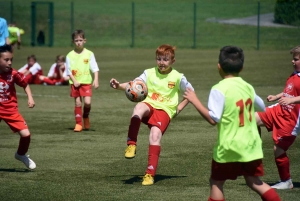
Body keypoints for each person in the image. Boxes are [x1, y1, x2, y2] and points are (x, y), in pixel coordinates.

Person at [183, 46, 281, 201]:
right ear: (241, 67)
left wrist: (194, 100)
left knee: (216, 183)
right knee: (255, 182)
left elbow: (213, 119)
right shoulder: (247, 86)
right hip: (251, 146)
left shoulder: (219, 89)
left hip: (229, 147)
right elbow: (262, 106)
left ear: (219, 66)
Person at [110, 44, 194, 186]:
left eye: (165, 59)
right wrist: (118, 86)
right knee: (138, 107)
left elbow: (191, 93)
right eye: (159, 59)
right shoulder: (148, 73)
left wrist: (178, 109)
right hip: (149, 105)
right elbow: (133, 85)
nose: (161, 62)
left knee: (155, 136)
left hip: (165, 111)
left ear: (173, 61)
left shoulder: (178, 77)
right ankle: (131, 144)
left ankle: (149, 174)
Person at [255, 45, 300, 190]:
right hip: (279, 110)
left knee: (278, 150)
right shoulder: (294, 74)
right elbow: (288, 92)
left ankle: (286, 181)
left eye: (296, 59)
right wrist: (277, 96)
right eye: (293, 59)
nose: (293, 62)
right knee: (251, 119)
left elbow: (292, 98)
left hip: (290, 119)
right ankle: (253, 152)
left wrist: (291, 101)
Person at [0, 44, 36, 170]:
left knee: (26, 135)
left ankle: (20, 154)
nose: (9, 63)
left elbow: (25, 84)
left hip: (10, 110)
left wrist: (30, 98)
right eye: (6, 60)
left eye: (11, 60)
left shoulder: (13, 73)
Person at [65, 30, 99, 132]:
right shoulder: (69, 55)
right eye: (76, 40)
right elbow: (68, 70)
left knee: (87, 103)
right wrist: (74, 80)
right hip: (75, 83)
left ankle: (86, 116)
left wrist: (96, 79)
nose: (78, 42)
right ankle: (78, 124)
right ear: (73, 41)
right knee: (78, 103)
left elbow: (95, 68)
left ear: (85, 41)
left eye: (80, 40)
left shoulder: (89, 54)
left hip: (86, 82)